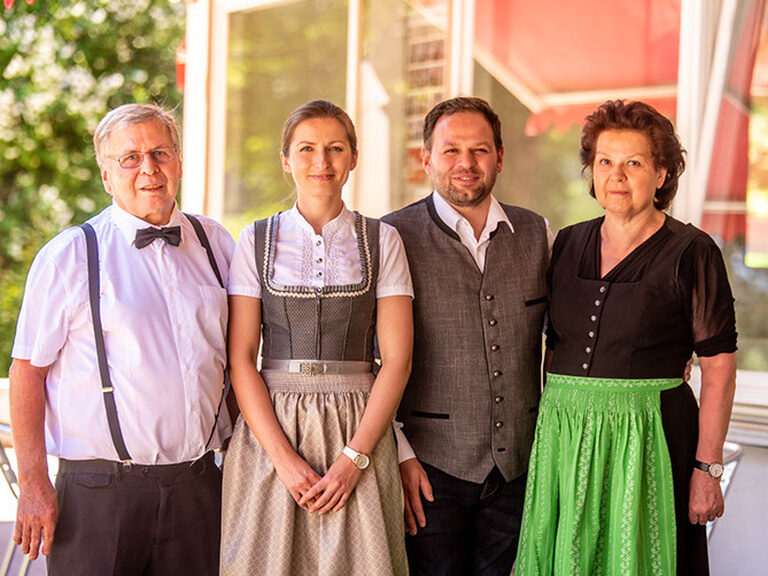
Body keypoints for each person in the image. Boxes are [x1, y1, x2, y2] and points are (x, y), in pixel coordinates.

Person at [9, 103, 234, 575]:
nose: (149, 168)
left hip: (200, 487)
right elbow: (27, 372)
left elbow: (238, 358)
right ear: (106, 175)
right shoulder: (70, 255)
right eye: (130, 158)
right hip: (98, 496)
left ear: (178, 162)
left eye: (160, 153)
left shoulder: (217, 243)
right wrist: (33, 482)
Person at [516, 100, 738, 575]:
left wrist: (707, 469)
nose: (616, 176)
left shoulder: (692, 251)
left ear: (661, 174)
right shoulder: (567, 242)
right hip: (565, 437)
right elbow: (553, 346)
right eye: (605, 162)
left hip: (649, 437)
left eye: (633, 163)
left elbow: (719, 368)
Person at [220, 100, 413, 576]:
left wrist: (354, 458)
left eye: (335, 148)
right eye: (306, 149)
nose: (321, 161)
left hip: (358, 422)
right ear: (286, 160)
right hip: (273, 427)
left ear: (353, 158)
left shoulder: (382, 240)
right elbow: (241, 359)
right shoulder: (255, 240)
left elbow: (397, 360)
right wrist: (283, 460)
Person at [383, 96, 552, 576]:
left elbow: (570, 335)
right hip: (428, 469)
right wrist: (399, 454)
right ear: (426, 159)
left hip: (520, 468)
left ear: (500, 156)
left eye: (479, 150)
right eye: (451, 150)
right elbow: (372, 361)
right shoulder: (392, 236)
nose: (466, 162)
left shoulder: (538, 233)